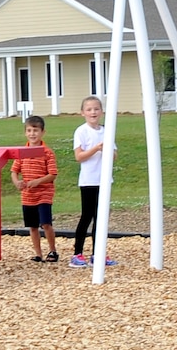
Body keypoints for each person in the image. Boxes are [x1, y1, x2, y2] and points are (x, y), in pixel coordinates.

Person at [69, 95, 117, 268]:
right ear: (83, 113)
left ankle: (98, 253)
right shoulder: (81, 131)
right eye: (89, 109)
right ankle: (77, 254)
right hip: (89, 181)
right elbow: (79, 156)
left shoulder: (107, 130)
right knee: (86, 216)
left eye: (96, 109)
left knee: (101, 218)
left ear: (102, 111)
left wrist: (107, 151)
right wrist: (96, 148)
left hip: (104, 180)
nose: (93, 112)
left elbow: (114, 156)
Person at [10, 115, 59, 263]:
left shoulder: (47, 152)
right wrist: (16, 182)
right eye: (29, 130)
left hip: (44, 193)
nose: (32, 134)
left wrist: (38, 181)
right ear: (25, 132)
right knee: (32, 226)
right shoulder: (21, 152)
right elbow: (14, 171)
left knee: (45, 223)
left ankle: (52, 250)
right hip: (28, 195)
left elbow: (52, 174)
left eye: (35, 130)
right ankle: (38, 254)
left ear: (43, 132)